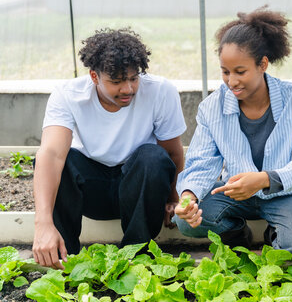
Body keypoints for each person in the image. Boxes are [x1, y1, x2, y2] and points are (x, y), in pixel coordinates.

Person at [173, 7, 292, 265]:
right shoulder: (212, 107)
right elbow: (202, 163)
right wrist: (188, 196)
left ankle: (274, 234)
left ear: (262, 64)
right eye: (225, 71)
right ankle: (236, 235)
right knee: (185, 221)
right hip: (234, 193)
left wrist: (265, 179)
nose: (231, 81)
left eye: (240, 72)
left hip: (283, 192)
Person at [32, 28, 186, 269]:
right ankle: (63, 256)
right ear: (94, 77)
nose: (128, 89)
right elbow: (51, 155)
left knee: (153, 156)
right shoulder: (68, 95)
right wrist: (42, 224)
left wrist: (174, 198)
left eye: (134, 78)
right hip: (91, 191)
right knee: (59, 160)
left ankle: (136, 256)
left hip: (139, 191)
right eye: (116, 81)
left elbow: (173, 153)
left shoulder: (160, 91)